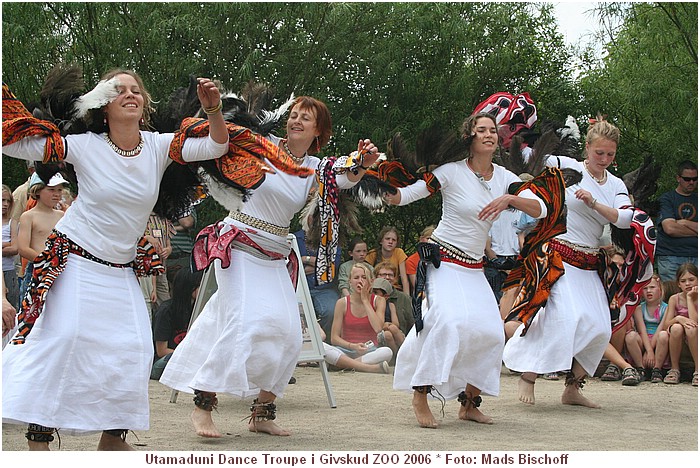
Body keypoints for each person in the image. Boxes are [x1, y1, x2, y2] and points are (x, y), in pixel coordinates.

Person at [1, 69, 228, 450]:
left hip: (119, 267)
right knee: (63, 338)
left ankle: (112, 437)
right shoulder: (86, 145)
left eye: (136, 90)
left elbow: (216, 146)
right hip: (74, 259)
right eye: (118, 90)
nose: (129, 94)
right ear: (103, 105)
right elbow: (19, 146)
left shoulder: (159, 146)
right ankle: (38, 435)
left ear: (145, 103)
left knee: (135, 346)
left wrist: (214, 111)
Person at [160, 95, 379, 438]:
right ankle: (203, 404)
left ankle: (262, 413)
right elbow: (220, 139)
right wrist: (214, 110)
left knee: (291, 335)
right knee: (246, 322)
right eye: (293, 115)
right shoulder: (261, 145)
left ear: (318, 130)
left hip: (276, 253)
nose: (296, 121)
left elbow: (344, 177)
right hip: (240, 243)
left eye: (305, 118)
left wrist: (362, 163)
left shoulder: (316, 168)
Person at [387, 112, 547, 428]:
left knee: (490, 332)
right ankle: (421, 392)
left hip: (474, 267)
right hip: (443, 261)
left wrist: (509, 198)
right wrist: (381, 189)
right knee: (447, 322)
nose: (488, 134)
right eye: (481, 129)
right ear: (470, 136)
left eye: (493, 130)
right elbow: (407, 195)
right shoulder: (451, 172)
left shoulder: (505, 177)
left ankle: (469, 403)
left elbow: (540, 208)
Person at [503, 118, 634, 408]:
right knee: (564, 318)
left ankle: (572, 387)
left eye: (610, 154)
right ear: (587, 147)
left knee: (600, 327)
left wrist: (595, 204)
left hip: (589, 262)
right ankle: (529, 374)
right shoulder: (567, 164)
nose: (604, 159)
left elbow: (626, 217)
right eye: (599, 153)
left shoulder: (615, 184)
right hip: (558, 257)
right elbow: (529, 156)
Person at [16, 173, 69, 305]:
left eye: (59, 190)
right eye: (51, 190)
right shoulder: (28, 216)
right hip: (36, 269)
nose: (56, 194)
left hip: (59, 270)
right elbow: (23, 248)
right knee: (33, 308)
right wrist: (45, 261)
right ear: (37, 190)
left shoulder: (62, 215)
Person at [330, 263, 394, 365]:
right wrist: (352, 346)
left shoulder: (379, 300)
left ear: (371, 281)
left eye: (364, 277)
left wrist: (365, 300)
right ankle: (363, 366)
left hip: (369, 350)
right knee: (323, 348)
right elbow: (334, 338)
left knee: (387, 352)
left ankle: (344, 364)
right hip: (346, 349)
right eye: (356, 278)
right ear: (350, 281)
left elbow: (378, 328)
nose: (360, 281)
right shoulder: (342, 303)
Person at [151, 268, 204, 380]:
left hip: (186, 359)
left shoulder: (198, 308)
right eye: (200, 286)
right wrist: (191, 357)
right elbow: (161, 351)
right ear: (189, 287)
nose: (203, 290)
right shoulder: (166, 311)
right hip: (164, 361)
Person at [295, 225, 342, 341]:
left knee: (332, 310)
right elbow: (292, 263)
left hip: (324, 289)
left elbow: (332, 266)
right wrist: (321, 266)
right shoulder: (294, 238)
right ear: (309, 218)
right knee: (295, 313)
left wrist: (304, 259)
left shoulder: (331, 239)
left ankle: (323, 343)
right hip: (298, 288)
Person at [655, 160, 697, 282]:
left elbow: (674, 226)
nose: (692, 182)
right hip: (671, 256)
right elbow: (670, 229)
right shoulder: (667, 199)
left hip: (696, 254)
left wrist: (685, 223)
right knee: (672, 295)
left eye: (695, 179)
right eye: (687, 179)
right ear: (678, 178)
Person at [623, 274, 669, 383]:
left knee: (663, 335)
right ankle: (640, 368)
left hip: (658, 340)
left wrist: (650, 352)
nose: (648, 291)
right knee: (630, 336)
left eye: (652, 287)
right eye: (645, 288)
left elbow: (661, 328)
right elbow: (641, 330)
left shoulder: (666, 308)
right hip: (643, 339)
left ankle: (657, 369)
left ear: (660, 289)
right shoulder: (639, 308)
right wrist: (648, 351)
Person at [659, 263, 698, 386]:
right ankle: (674, 369)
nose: (688, 283)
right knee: (675, 327)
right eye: (683, 281)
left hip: (695, 335)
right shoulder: (674, 299)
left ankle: (698, 370)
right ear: (678, 284)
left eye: (691, 280)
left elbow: (696, 322)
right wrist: (679, 318)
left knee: (691, 329)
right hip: (679, 337)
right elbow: (666, 325)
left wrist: (690, 299)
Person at [365, 226, 410, 292]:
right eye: (387, 239)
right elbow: (367, 277)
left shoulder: (399, 252)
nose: (390, 242)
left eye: (393, 240)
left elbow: (404, 279)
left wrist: (407, 299)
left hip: (394, 289)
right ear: (381, 241)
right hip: (376, 289)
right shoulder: (372, 254)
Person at [374, 261, 414, 335]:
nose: (387, 277)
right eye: (383, 274)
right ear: (376, 277)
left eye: (390, 275)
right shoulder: (370, 296)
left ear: (395, 278)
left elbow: (412, 322)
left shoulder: (404, 298)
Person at [371, 277, 405, 355]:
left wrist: (388, 325)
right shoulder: (370, 306)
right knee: (387, 335)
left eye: (376, 292)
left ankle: (406, 352)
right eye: (371, 292)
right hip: (377, 332)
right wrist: (383, 326)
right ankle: (395, 356)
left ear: (386, 296)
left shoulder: (390, 305)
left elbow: (396, 323)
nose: (373, 295)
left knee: (393, 328)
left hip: (391, 328)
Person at [2, 185, 20, 312]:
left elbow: (15, 248)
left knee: (10, 307)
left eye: (8, 201)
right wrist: (5, 244)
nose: (5, 204)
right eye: (2, 200)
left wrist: (10, 245)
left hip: (7, 270)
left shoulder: (12, 223)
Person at [405, 225, 435, 294]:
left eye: (434, 240)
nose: (431, 242)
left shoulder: (444, 258)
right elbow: (417, 287)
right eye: (428, 238)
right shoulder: (411, 261)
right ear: (421, 239)